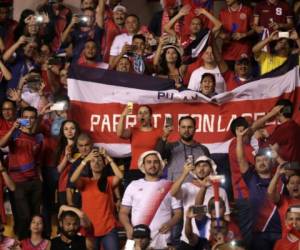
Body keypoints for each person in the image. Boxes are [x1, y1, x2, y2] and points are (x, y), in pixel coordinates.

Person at [119, 150, 182, 249]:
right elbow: (123, 212)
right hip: (136, 238)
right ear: (143, 165)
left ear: (160, 165)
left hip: (162, 241)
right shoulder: (133, 185)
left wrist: (171, 223)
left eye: (155, 162)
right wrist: (128, 227)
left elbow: (178, 212)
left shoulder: (171, 185)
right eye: (149, 162)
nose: (152, 165)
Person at [0, 106, 43, 240]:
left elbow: (37, 161)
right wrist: (13, 127)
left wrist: (40, 180)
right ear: (21, 118)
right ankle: (22, 243)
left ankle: (32, 244)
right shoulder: (15, 133)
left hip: (35, 182)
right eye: (26, 117)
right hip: (17, 182)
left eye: (32, 117)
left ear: (35, 119)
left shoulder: (38, 137)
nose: (29, 120)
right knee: (23, 215)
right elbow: (2, 144)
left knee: (35, 216)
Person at [170, 155, 230, 248]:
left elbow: (226, 217)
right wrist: (184, 173)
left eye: (205, 165)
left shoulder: (220, 191)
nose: (201, 169)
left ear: (211, 169)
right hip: (189, 239)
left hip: (213, 239)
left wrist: (225, 235)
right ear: (194, 170)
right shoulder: (187, 187)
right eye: (198, 166)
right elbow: (173, 192)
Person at [236, 129, 281, 250]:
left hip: (281, 232)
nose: (262, 162)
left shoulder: (280, 179)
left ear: (271, 162)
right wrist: (239, 138)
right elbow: (240, 159)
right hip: (259, 234)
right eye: (258, 160)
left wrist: (277, 157)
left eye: (265, 159)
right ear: (254, 165)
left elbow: (289, 169)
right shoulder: (251, 178)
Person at [70, 147, 123, 250]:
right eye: (93, 161)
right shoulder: (85, 181)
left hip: (108, 227)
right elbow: (73, 179)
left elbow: (120, 176)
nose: (96, 162)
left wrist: (108, 158)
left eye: (99, 160)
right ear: (89, 165)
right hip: (90, 229)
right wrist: (85, 160)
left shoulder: (108, 181)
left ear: (104, 164)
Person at [156, 115, 210, 181]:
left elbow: (209, 172)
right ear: (179, 129)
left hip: (197, 189)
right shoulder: (171, 147)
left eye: (189, 127)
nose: (186, 130)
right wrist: (164, 136)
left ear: (195, 129)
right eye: (183, 127)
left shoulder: (203, 149)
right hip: (175, 189)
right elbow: (157, 157)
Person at [117, 105, 161, 182]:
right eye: (140, 113)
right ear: (137, 117)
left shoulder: (158, 132)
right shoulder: (133, 130)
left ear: (150, 116)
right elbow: (120, 134)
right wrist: (123, 116)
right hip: (134, 170)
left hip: (151, 171)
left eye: (145, 113)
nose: (142, 115)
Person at [268, 161, 300, 237]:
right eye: (292, 183)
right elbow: (270, 192)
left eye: (299, 183)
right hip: (287, 244)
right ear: (287, 187)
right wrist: (277, 174)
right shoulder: (283, 200)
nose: (295, 185)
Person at [218, 0, 254, 65]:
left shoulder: (247, 10)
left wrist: (244, 35)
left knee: (243, 74)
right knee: (229, 75)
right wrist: (223, 36)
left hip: (243, 51)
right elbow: (219, 31)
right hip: (227, 53)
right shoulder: (222, 12)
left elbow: (254, 30)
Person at [56, 120, 80, 206]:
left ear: (76, 130)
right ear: (62, 132)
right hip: (63, 185)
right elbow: (58, 170)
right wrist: (66, 157)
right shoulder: (60, 147)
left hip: (79, 185)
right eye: (66, 129)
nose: (69, 131)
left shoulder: (82, 146)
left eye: (72, 128)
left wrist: (72, 160)